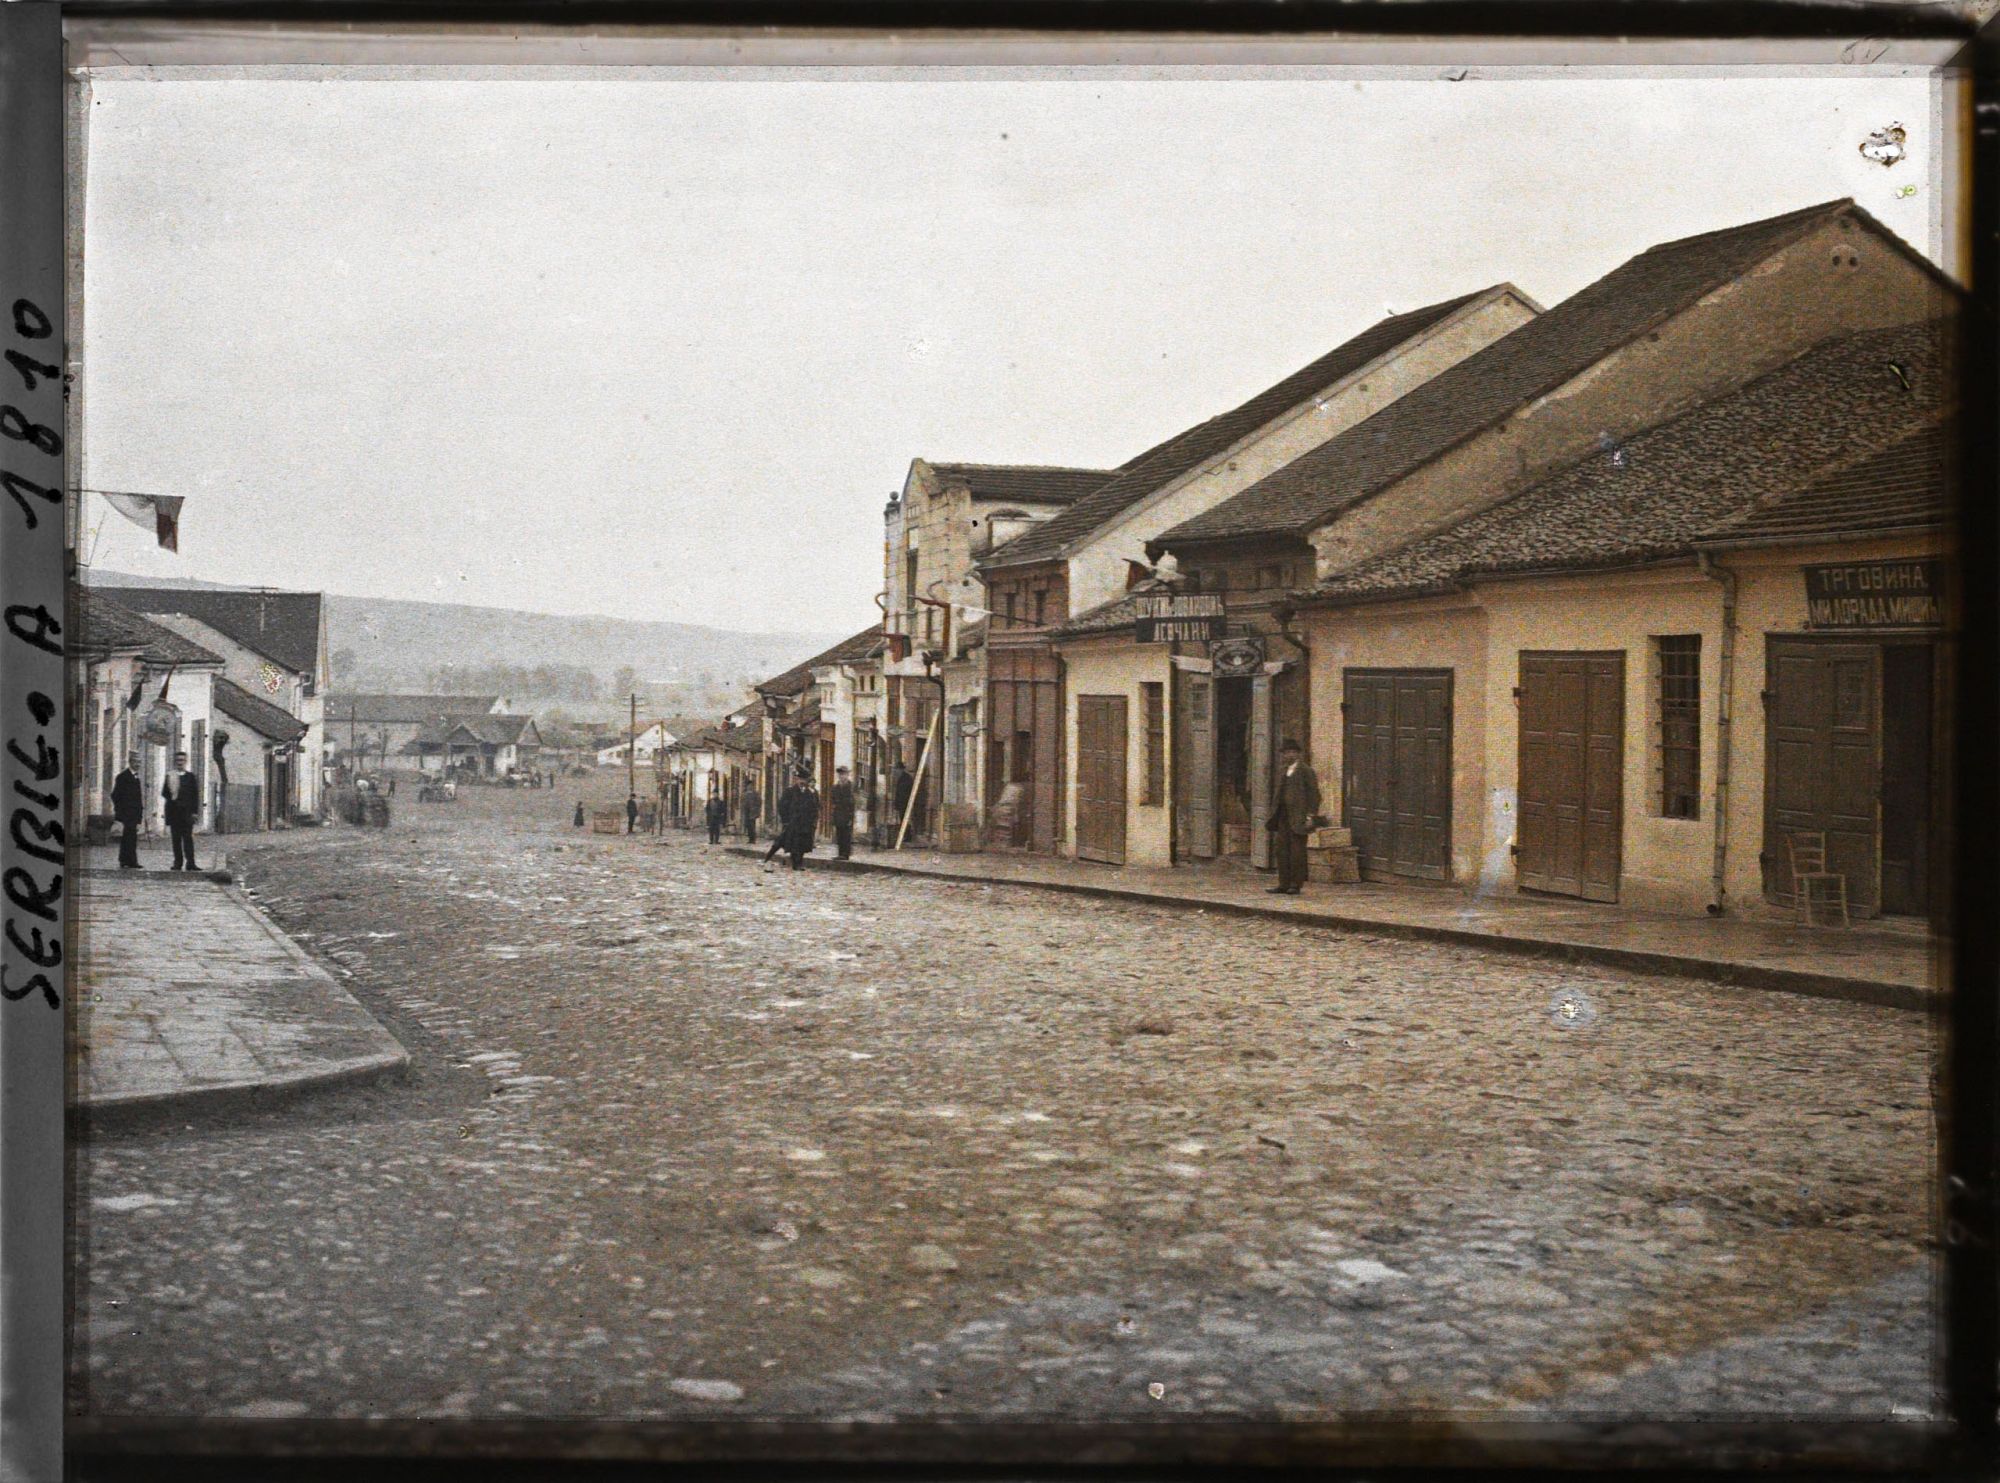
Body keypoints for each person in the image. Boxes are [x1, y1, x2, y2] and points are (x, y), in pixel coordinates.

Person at [1265, 739, 1321, 895]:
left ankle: (1295, 884)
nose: (1287, 755)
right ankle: (1283, 883)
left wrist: (1311, 815)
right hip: (1282, 816)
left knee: (1297, 852)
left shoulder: (1306, 771)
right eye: (1285, 753)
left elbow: (1314, 795)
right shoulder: (1284, 771)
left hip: (1299, 817)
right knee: (1282, 850)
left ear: (1298, 754)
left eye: (1291, 752)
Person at [162, 750, 200, 871]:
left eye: (182, 760)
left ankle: (191, 863)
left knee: (188, 838)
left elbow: (195, 796)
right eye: (178, 760)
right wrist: (173, 797)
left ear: (186, 761)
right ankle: (177, 862)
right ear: (175, 762)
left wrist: (194, 812)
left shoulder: (190, 777)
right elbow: (164, 792)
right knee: (176, 839)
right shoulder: (170, 776)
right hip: (174, 813)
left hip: (187, 814)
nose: (180, 762)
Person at [777, 769, 820, 871]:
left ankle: (799, 861)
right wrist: (785, 820)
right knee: (794, 843)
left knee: (802, 844)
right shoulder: (790, 791)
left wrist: (812, 821)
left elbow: (814, 807)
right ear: (796, 779)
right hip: (793, 823)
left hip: (805, 823)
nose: (802, 782)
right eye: (800, 779)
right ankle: (796, 863)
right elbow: (782, 806)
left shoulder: (809, 793)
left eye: (804, 780)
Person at [112, 754, 144, 868]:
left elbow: (138, 797)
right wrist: (121, 811)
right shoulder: (123, 777)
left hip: (134, 813)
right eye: (136, 762)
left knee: (131, 837)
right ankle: (129, 861)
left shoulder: (136, 777)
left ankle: (127, 860)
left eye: (139, 762)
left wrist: (140, 815)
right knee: (128, 837)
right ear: (130, 762)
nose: (138, 764)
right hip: (127, 813)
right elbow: (115, 795)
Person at [829, 765, 856, 860]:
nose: (841, 776)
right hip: (838, 814)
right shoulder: (835, 787)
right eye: (840, 774)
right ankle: (841, 853)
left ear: (847, 775)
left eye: (843, 774)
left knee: (846, 835)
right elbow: (832, 800)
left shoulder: (850, 786)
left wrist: (851, 816)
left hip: (847, 813)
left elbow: (852, 803)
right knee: (839, 834)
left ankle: (846, 854)